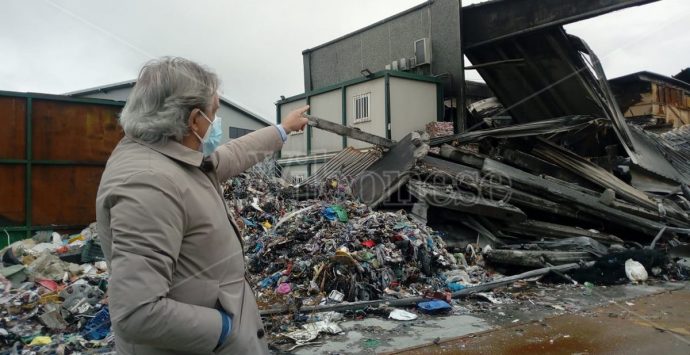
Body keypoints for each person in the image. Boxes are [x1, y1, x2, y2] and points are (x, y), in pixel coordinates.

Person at [96, 57, 308, 354]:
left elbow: (231, 155)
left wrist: (282, 130)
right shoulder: (149, 184)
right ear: (194, 119)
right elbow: (136, 313)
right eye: (214, 111)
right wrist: (225, 329)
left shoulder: (169, 158)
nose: (214, 121)